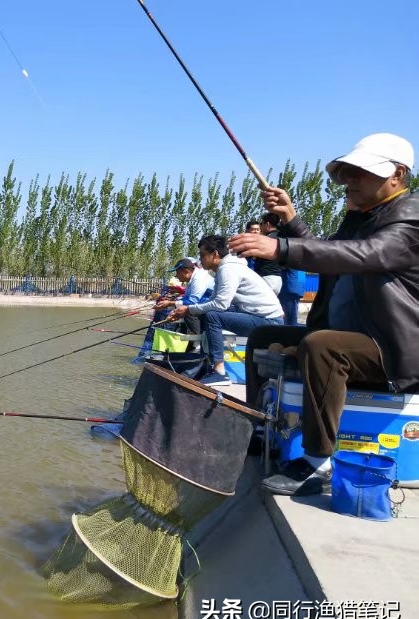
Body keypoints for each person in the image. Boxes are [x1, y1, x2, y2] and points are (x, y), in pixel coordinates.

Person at [228, 132, 418, 496]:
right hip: (356, 335)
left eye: (362, 172)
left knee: (322, 346)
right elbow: (333, 251)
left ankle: (318, 461)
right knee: (265, 337)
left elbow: (364, 255)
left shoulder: (411, 220)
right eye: (347, 172)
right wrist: (291, 221)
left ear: (397, 175)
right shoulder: (362, 218)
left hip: (393, 349)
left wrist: (280, 247)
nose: (349, 181)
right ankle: (258, 426)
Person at [167, 234, 284, 386]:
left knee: (212, 316)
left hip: (269, 322)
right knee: (207, 313)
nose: (200, 260)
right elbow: (213, 300)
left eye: (202, 255)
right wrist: (183, 309)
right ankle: (208, 363)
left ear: (215, 254)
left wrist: (189, 310)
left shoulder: (228, 269)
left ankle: (219, 371)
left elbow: (220, 305)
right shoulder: (225, 269)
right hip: (260, 317)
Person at [154, 257, 215, 336]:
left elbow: (192, 302)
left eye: (177, 272)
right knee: (182, 310)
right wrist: (169, 304)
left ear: (185, 271)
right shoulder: (192, 279)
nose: (176, 276)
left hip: (214, 308)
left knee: (188, 310)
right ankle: (188, 341)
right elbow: (186, 298)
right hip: (205, 305)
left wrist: (169, 303)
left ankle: (196, 340)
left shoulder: (199, 279)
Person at [254, 213, 283, 294]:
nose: (260, 227)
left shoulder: (266, 240)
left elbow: (255, 257)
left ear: (267, 224)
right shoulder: (282, 238)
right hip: (278, 279)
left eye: (261, 224)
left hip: (266, 278)